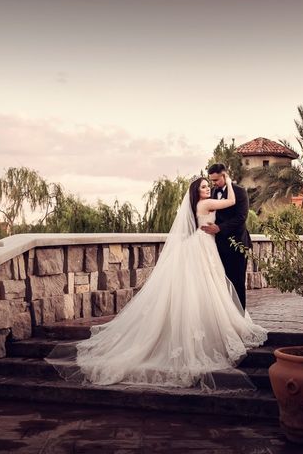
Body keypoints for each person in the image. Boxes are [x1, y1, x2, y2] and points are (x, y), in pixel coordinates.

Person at [46, 175, 267, 389]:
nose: (207, 189)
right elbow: (230, 202)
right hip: (203, 246)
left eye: (208, 185)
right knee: (207, 285)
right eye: (203, 187)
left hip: (201, 245)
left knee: (205, 286)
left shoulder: (198, 205)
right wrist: (228, 181)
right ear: (195, 192)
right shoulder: (206, 203)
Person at [201, 164, 251, 310]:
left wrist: (219, 228)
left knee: (237, 283)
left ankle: (240, 318)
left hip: (238, 245)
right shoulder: (212, 193)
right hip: (218, 247)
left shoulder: (240, 192)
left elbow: (241, 217)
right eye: (212, 180)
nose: (214, 183)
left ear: (225, 176)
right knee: (220, 285)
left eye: (216, 180)